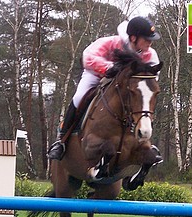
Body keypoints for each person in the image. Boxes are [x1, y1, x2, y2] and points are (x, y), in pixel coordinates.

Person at [47, 16, 161, 160]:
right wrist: (109, 67)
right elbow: (88, 57)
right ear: (133, 38)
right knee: (79, 97)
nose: (150, 42)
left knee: (141, 102)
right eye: (146, 39)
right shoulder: (111, 43)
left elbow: (152, 78)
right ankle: (61, 140)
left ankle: (144, 142)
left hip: (126, 84)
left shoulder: (151, 55)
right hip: (96, 75)